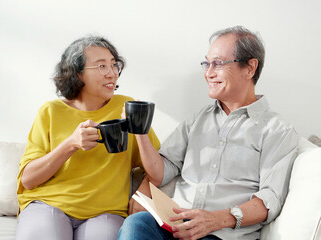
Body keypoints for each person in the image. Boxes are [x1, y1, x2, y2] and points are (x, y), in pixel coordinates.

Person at [118, 26, 299, 240]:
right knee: (136, 224)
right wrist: (140, 132)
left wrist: (215, 219)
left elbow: (269, 199)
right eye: (207, 63)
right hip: (175, 224)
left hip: (222, 234)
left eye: (218, 63)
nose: (209, 73)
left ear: (250, 68)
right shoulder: (197, 120)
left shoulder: (277, 131)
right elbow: (161, 172)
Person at [15, 36, 160, 240]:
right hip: (49, 204)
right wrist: (71, 144)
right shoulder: (50, 111)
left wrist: (144, 189)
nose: (112, 73)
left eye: (114, 65)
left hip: (106, 213)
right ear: (78, 73)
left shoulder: (127, 107)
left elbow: (158, 166)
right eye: (101, 66)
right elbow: (28, 180)